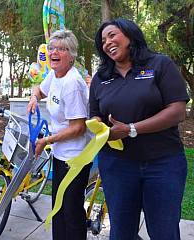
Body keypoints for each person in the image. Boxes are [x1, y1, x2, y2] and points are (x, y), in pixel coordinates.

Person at [90, 18, 188, 240]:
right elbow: (95, 114)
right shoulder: (100, 78)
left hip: (163, 163)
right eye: (103, 40)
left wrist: (131, 129)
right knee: (121, 232)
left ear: (130, 35)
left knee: (164, 232)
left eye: (112, 35)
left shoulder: (160, 64)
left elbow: (177, 110)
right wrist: (97, 125)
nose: (107, 42)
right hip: (117, 166)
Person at [27, 29, 92, 240]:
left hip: (75, 157)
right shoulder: (55, 75)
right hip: (60, 153)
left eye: (61, 49)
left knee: (71, 212)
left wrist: (46, 140)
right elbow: (40, 89)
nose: (54, 52)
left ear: (72, 56)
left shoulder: (72, 83)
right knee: (59, 207)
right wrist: (33, 97)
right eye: (52, 48)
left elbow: (78, 128)